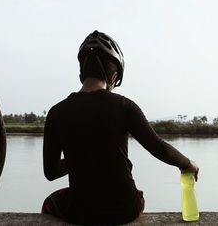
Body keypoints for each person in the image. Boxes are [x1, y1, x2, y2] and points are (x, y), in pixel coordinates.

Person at [42, 30, 199, 225]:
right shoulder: (124, 105)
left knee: (51, 202)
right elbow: (158, 147)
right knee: (137, 197)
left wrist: (79, 157)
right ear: (113, 76)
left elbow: (50, 172)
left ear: (81, 73)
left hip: (81, 212)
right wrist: (187, 164)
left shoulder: (57, 112)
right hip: (126, 209)